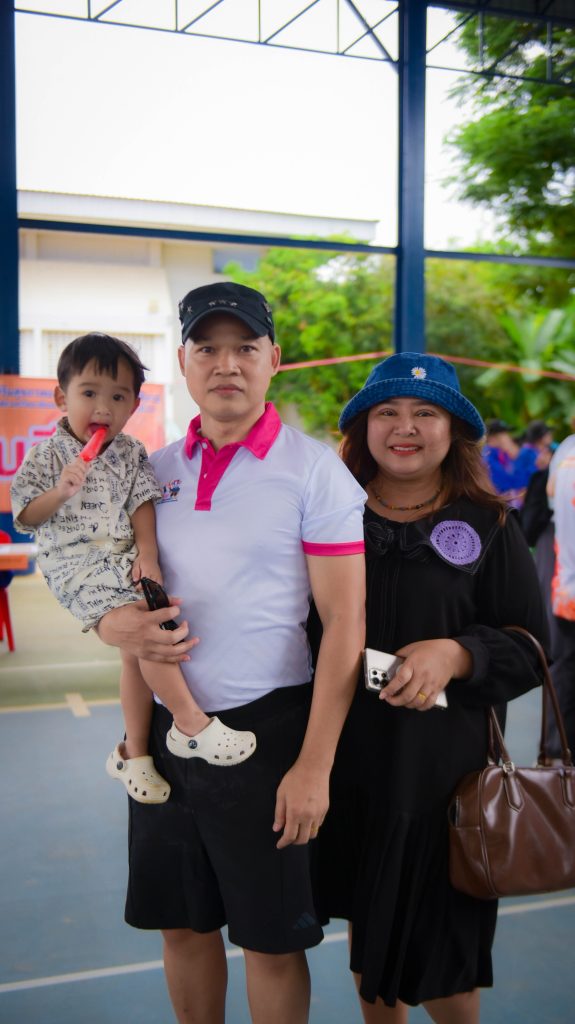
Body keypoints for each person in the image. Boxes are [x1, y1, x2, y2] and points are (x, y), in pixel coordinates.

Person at [94, 281, 367, 1024]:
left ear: (272, 359)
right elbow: (113, 597)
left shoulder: (314, 471)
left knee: (271, 942)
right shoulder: (148, 472)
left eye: (244, 347)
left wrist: (313, 766)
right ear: (182, 362)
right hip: (165, 734)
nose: (226, 364)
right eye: (207, 348)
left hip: (269, 734)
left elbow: (345, 623)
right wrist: (115, 638)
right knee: (182, 926)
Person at [314, 352, 548, 1024]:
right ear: (362, 427)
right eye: (386, 412)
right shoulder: (330, 515)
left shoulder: (488, 523)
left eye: (425, 413)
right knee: (370, 950)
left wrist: (458, 654)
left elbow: (531, 647)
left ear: (454, 430)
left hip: (446, 778)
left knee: (447, 964)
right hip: (350, 765)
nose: (405, 427)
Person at [10, 333, 257, 807]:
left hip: (122, 559)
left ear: (134, 406)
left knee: (133, 654)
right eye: (89, 393)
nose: (103, 408)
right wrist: (60, 491)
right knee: (149, 631)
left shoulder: (130, 452)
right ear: (61, 397)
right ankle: (190, 724)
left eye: (118, 397)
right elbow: (26, 515)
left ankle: (133, 753)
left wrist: (149, 553)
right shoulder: (46, 456)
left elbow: (142, 502)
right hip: (76, 565)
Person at [545, 419, 575, 759]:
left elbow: (551, 492)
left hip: (565, 582)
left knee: (565, 669)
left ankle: (558, 750)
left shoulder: (567, 449)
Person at [481, 418, 523, 505]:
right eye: (504, 434)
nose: (508, 437)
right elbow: (509, 484)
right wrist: (516, 458)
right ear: (493, 438)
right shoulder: (487, 458)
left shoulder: (503, 454)